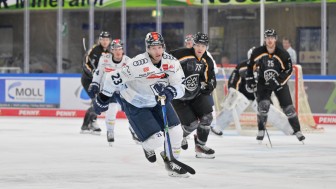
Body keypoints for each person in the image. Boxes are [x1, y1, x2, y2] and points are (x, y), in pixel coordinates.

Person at [92, 32, 189, 177]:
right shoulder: (137, 64)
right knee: (157, 140)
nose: (157, 51)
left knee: (177, 132)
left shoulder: (172, 62)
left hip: (158, 100)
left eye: (160, 47)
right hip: (135, 103)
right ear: (148, 49)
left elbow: (181, 87)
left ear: (164, 47)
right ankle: (147, 146)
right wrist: (103, 98)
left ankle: (172, 164)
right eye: (153, 48)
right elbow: (112, 78)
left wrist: (171, 92)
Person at [211, 47, 295, 136]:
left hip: (260, 95)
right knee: (234, 104)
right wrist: (233, 91)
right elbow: (233, 79)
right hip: (243, 94)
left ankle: (289, 129)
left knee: (269, 109)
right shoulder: (242, 66)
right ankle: (217, 127)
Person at [246, 28, 305, 142]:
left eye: (272, 38)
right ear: (265, 39)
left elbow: (288, 70)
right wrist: (250, 81)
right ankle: (261, 130)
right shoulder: (257, 52)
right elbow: (250, 66)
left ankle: (297, 131)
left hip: (279, 83)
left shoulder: (282, 53)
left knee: (289, 109)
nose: (270, 40)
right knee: (263, 106)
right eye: (267, 38)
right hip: (264, 83)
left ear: (275, 39)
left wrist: (278, 81)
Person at [170, 32, 216, 159]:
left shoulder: (207, 60)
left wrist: (209, 85)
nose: (200, 48)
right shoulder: (180, 54)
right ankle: (180, 137)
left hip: (196, 94)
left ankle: (200, 146)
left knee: (207, 118)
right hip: (179, 97)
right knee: (192, 125)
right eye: (198, 45)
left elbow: (210, 78)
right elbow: (162, 62)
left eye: (203, 45)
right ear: (193, 45)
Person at [88, 39, 131, 146]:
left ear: (122, 50)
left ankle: (134, 130)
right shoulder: (104, 59)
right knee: (111, 110)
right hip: (108, 90)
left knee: (131, 111)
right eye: (115, 49)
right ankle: (110, 131)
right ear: (111, 50)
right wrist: (94, 84)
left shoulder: (128, 61)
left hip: (123, 90)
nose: (118, 51)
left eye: (120, 49)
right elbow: (98, 73)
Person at [80, 31, 111, 134]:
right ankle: (89, 123)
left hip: (98, 81)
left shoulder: (109, 53)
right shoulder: (94, 50)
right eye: (103, 39)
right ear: (100, 40)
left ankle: (88, 124)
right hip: (88, 80)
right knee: (96, 101)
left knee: (98, 102)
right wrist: (93, 72)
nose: (105, 41)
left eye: (107, 40)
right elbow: (86, 64)